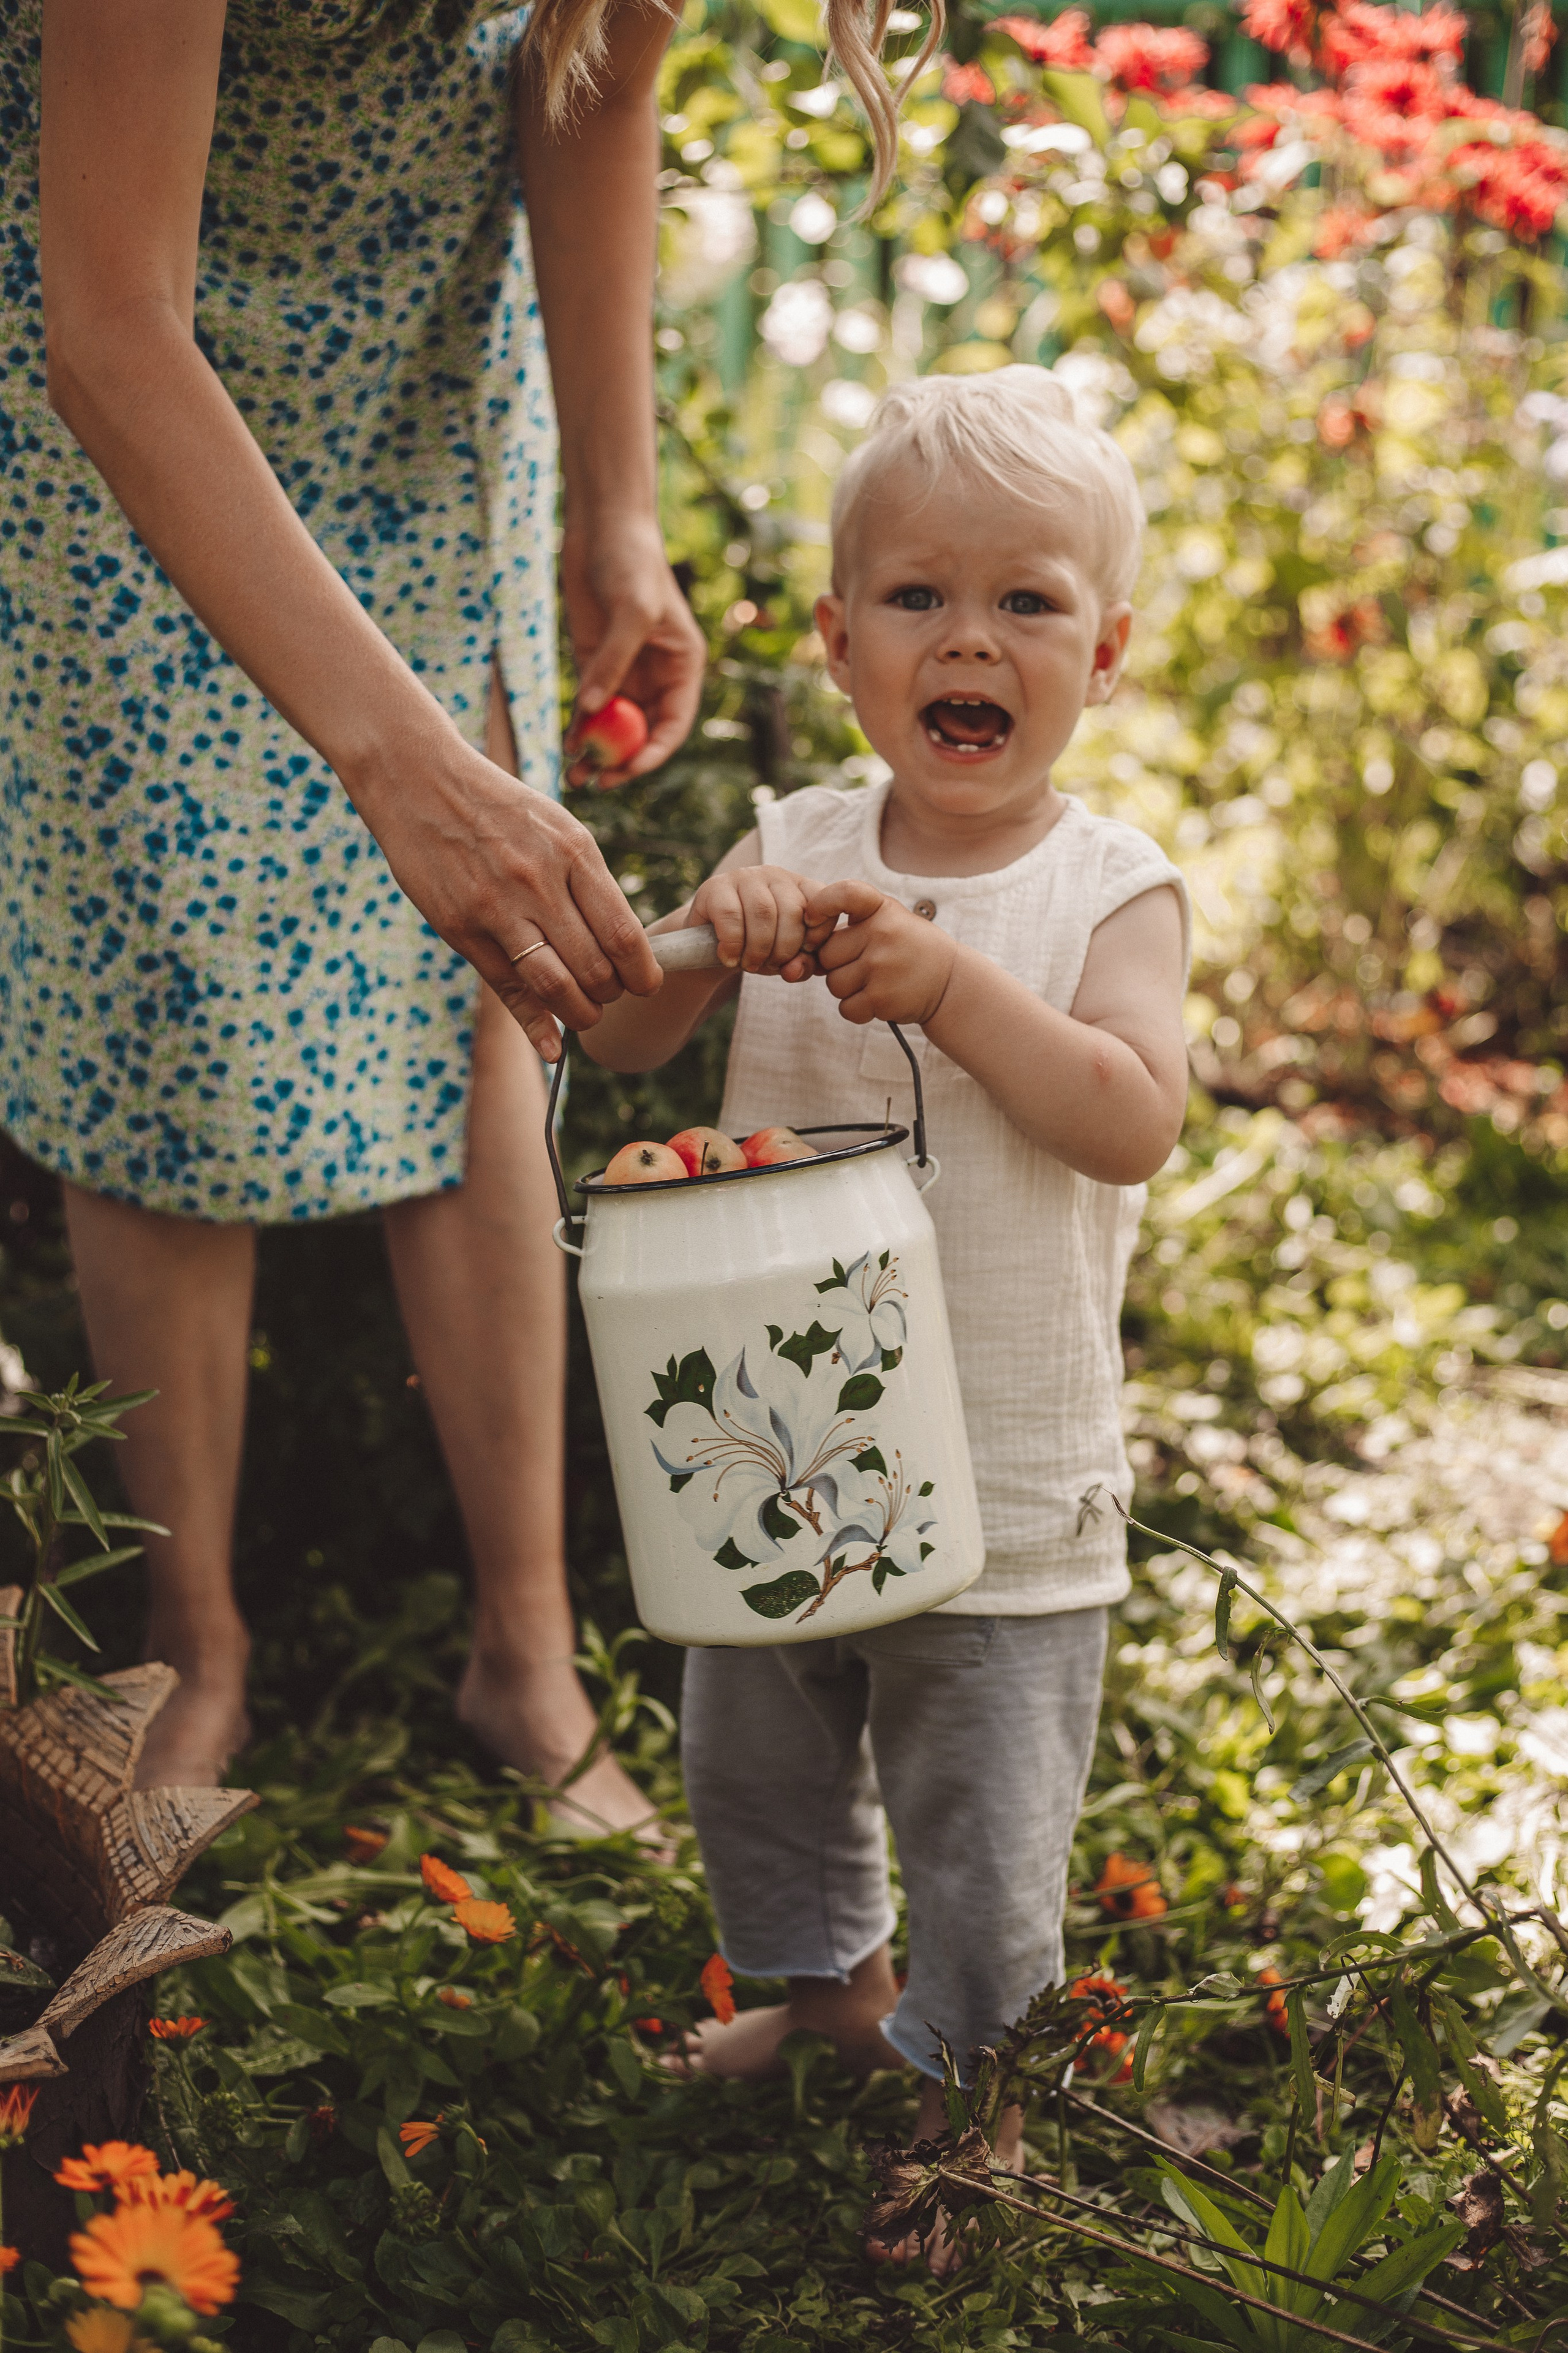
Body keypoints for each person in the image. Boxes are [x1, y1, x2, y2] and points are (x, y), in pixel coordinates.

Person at [1, 0, 718, 1811]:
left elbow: (595, 74)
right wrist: (402, 769)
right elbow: (112, 327)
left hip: (423, 372)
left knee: (487, 991)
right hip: (129, 392)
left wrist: (619, 506)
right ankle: (193, 1648)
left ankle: (527, 1654)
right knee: (159, 986)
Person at [581, 367, 1192, 2250]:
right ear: (843, 642)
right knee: (754, 1742)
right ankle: (828, 1997)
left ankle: (975, 2082)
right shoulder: (793, 845)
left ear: (1105, 646)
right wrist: (699, 949)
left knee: (983, 1813)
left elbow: (1130, 1118)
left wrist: (950, 990)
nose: (973, 638)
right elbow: (612, 1027)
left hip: (1003, 1475)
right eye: (920, 597)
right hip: (778, 1448)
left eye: (1026, 600)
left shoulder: (1108, 887)